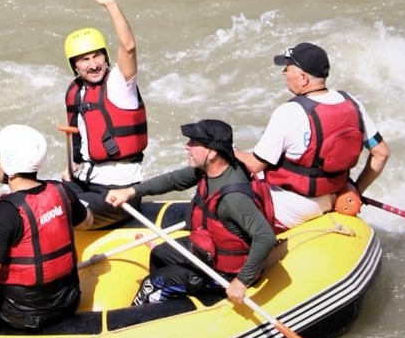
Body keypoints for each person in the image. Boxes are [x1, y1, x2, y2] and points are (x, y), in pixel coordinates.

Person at [106, 119, 277, 306]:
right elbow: (173, 180)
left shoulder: (233, 198)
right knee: (160, 254)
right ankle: (173, 304)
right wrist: (130, 192)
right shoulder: (208, 170)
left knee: (151, 284)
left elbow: (265, 237)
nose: (186, 146)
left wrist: (241, 281)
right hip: (207, 250)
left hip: (224, 272)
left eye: (194, 143)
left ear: (212, 152)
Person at [0, 124, 92, 331]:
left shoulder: (5, 212)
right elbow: (87, 221)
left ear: (8, 165)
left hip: (22, 315)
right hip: (67, 302)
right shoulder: (62, 191)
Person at [235, 42, 391, 228]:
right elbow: (381, 153)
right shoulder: (351, 102)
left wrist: (226, 150)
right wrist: (355, 191)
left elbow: (253, 165)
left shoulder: (289, 112)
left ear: (303, 78)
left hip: (294, 209)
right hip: (333, 196)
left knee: (224, 177)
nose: (284, 73)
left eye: (287, 68)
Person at [62, 0, 149, 229]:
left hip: (120, 192)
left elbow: (129, 47)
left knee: (61, 215)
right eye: (84, 60)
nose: (93, 64)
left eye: (97, 56)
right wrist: (72, 168)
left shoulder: (120, 85)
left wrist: (110, 3)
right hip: (86, 182)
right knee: (37, 194)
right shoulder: (76, 91)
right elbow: (84, 140)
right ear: (75, 66)